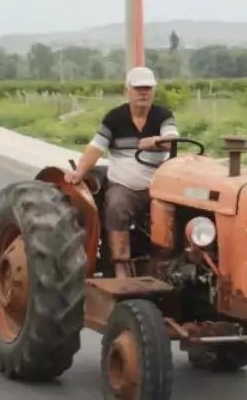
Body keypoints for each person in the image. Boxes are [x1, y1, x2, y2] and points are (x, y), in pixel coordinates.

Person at [65, 66, 177, 277]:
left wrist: (154, 141)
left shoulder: (163, 116)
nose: (143, 93)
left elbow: (172, 140)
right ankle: (120, 265)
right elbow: (96, 147)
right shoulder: (114, 118)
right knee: (117, 203)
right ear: (127, 91)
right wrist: (79, 171)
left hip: (159, 187)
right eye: (138, 88)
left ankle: (168, 264)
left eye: (148, 88)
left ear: (153, 91)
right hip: (125, 186)